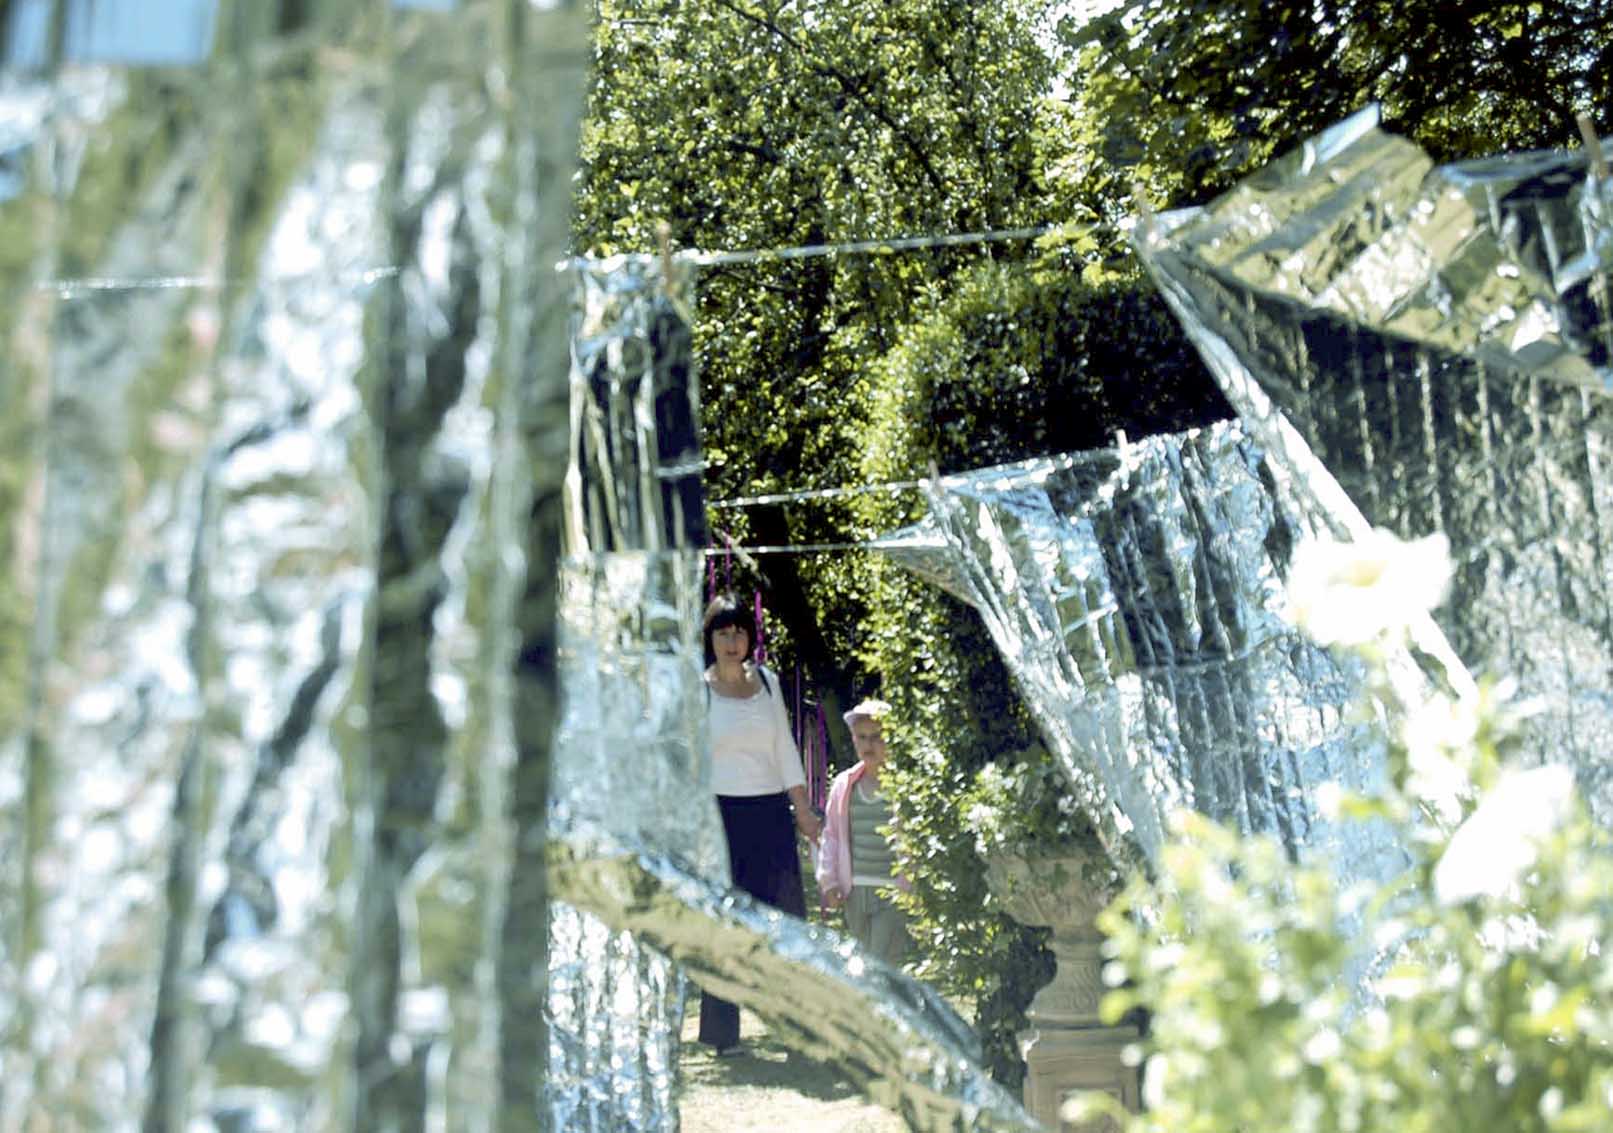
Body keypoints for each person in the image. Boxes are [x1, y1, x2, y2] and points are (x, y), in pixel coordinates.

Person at [698, 592, 821, 1056]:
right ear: (710, 639)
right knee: (726, 926)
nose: (732, 642)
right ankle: (722, 1034)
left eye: (740, 632)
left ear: (751, 637)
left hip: (770, 814)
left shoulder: (767, 682)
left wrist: (804, 810)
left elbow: (785, 751)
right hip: (720, 818)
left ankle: (797, 1029)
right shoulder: (699, 689)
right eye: (723, 633)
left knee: (787, 925)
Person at [816, 698, 910, 967]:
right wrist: (829, 882)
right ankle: (887, 1008)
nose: (869, 745)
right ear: (854, 740)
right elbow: (831, 836)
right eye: (862, 737)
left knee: (876, 961)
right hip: (854, 889)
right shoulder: (845, 785)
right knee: (875, 962)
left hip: (891, 890)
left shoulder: (903, 787)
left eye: (877, 737)